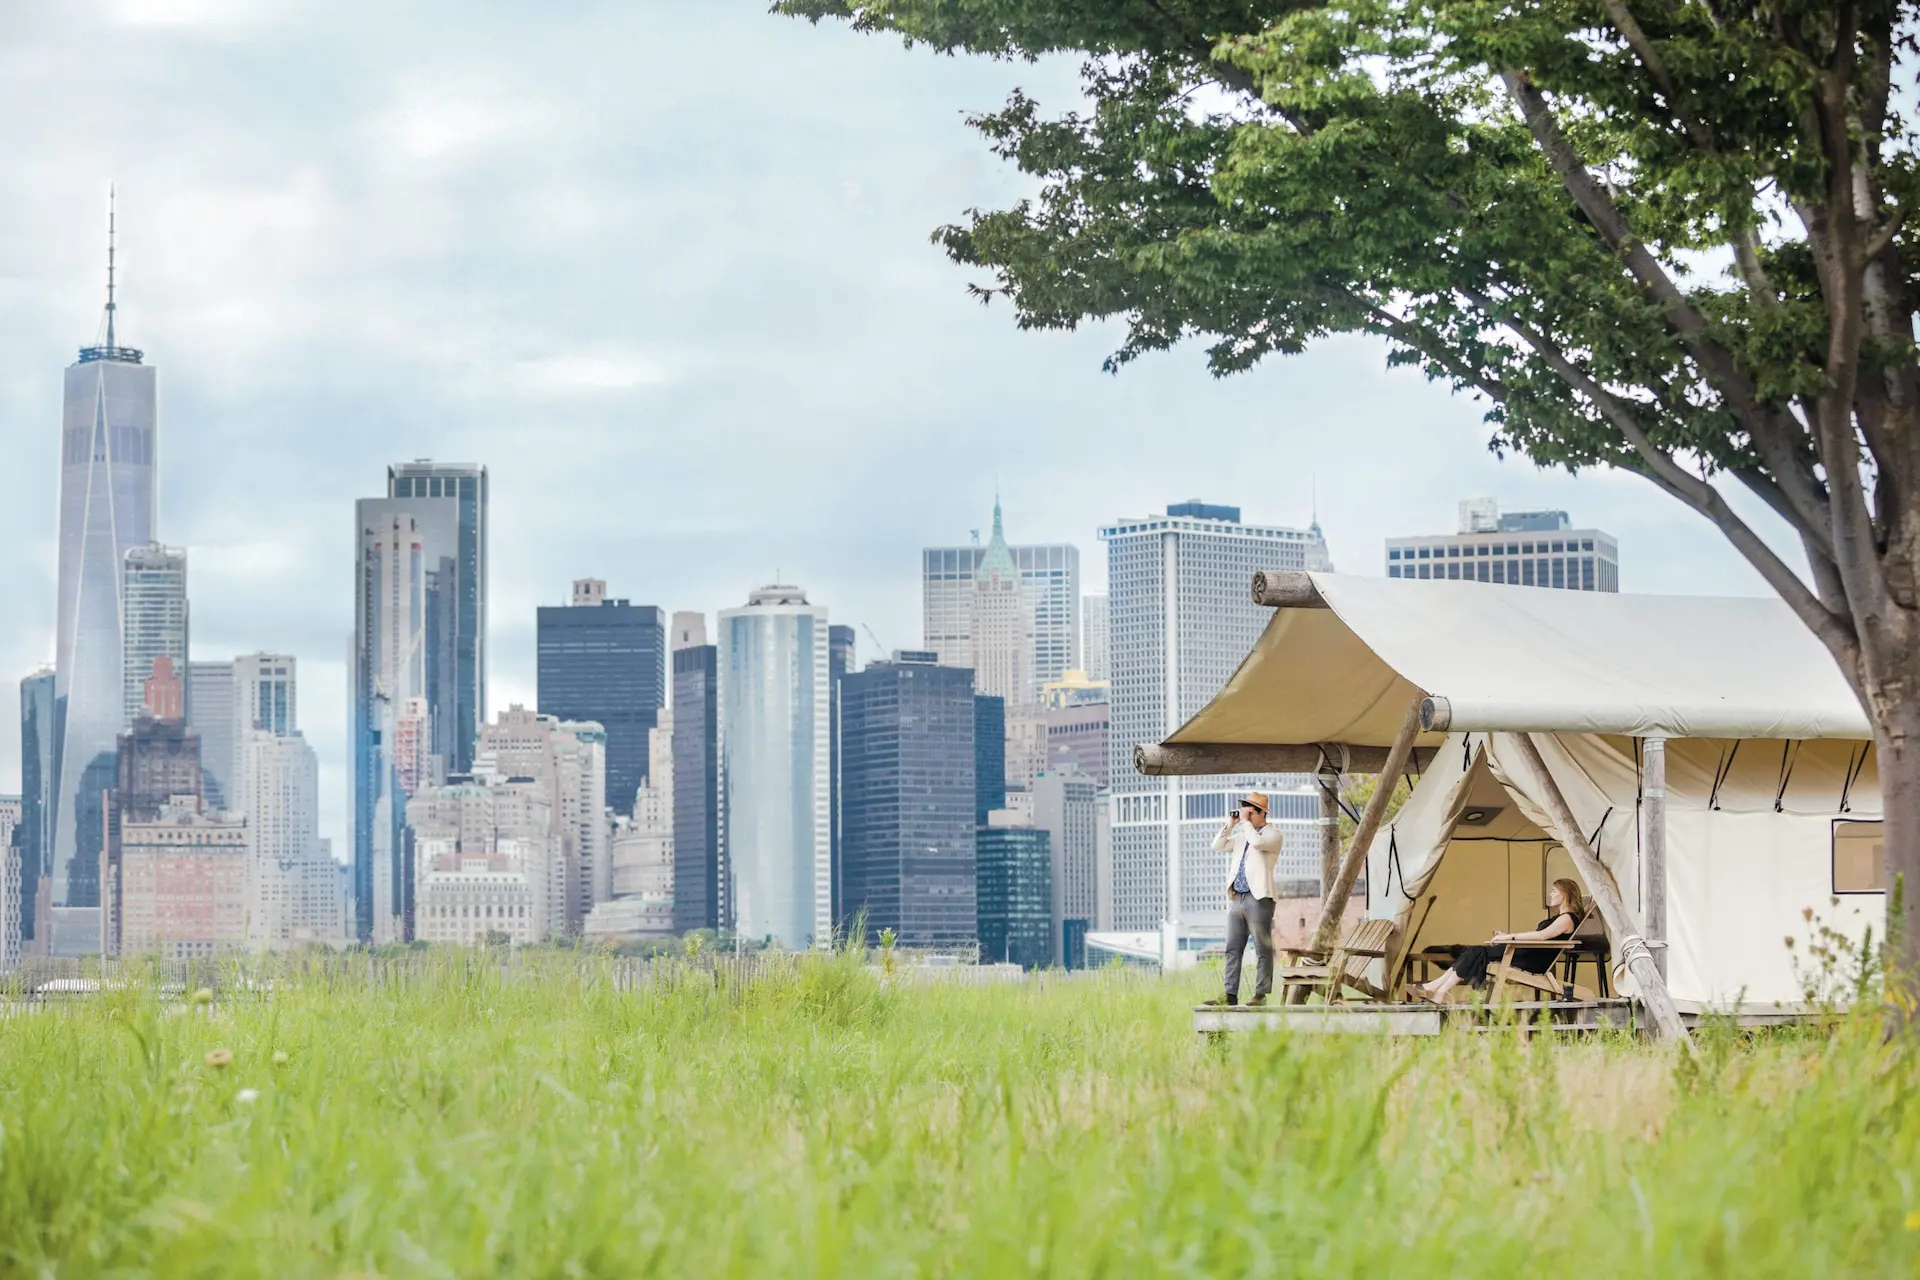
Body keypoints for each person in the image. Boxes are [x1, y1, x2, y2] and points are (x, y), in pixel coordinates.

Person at [1410, 878, 1586, 1003]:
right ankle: (1437, 989)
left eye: (1554, 891)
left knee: (1476, 952)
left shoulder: (1567, 919)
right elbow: (1540, 936)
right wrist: (1508, 936)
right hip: (1525, 952)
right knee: (1474, 951)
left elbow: (1541, 936)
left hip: (1531, 961)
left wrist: (1509, 937)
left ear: (1565, 894)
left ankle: (1438, 989)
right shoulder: (1562, 917)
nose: (1551, 894)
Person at [1201, 792, 1284, 1007]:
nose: (1246, 813)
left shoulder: (1273, 835)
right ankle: (1229, 995)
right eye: (1244, 809)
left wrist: (1245, 824)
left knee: (1261, 948)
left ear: (1261, 813)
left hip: (1260, 898)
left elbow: (1257, 843)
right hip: (1237, 897)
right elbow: (1217, 846)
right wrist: (1230, 824)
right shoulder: (1241, 836)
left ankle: (1261, 994)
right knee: (1232, 948)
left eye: (1249, 810)